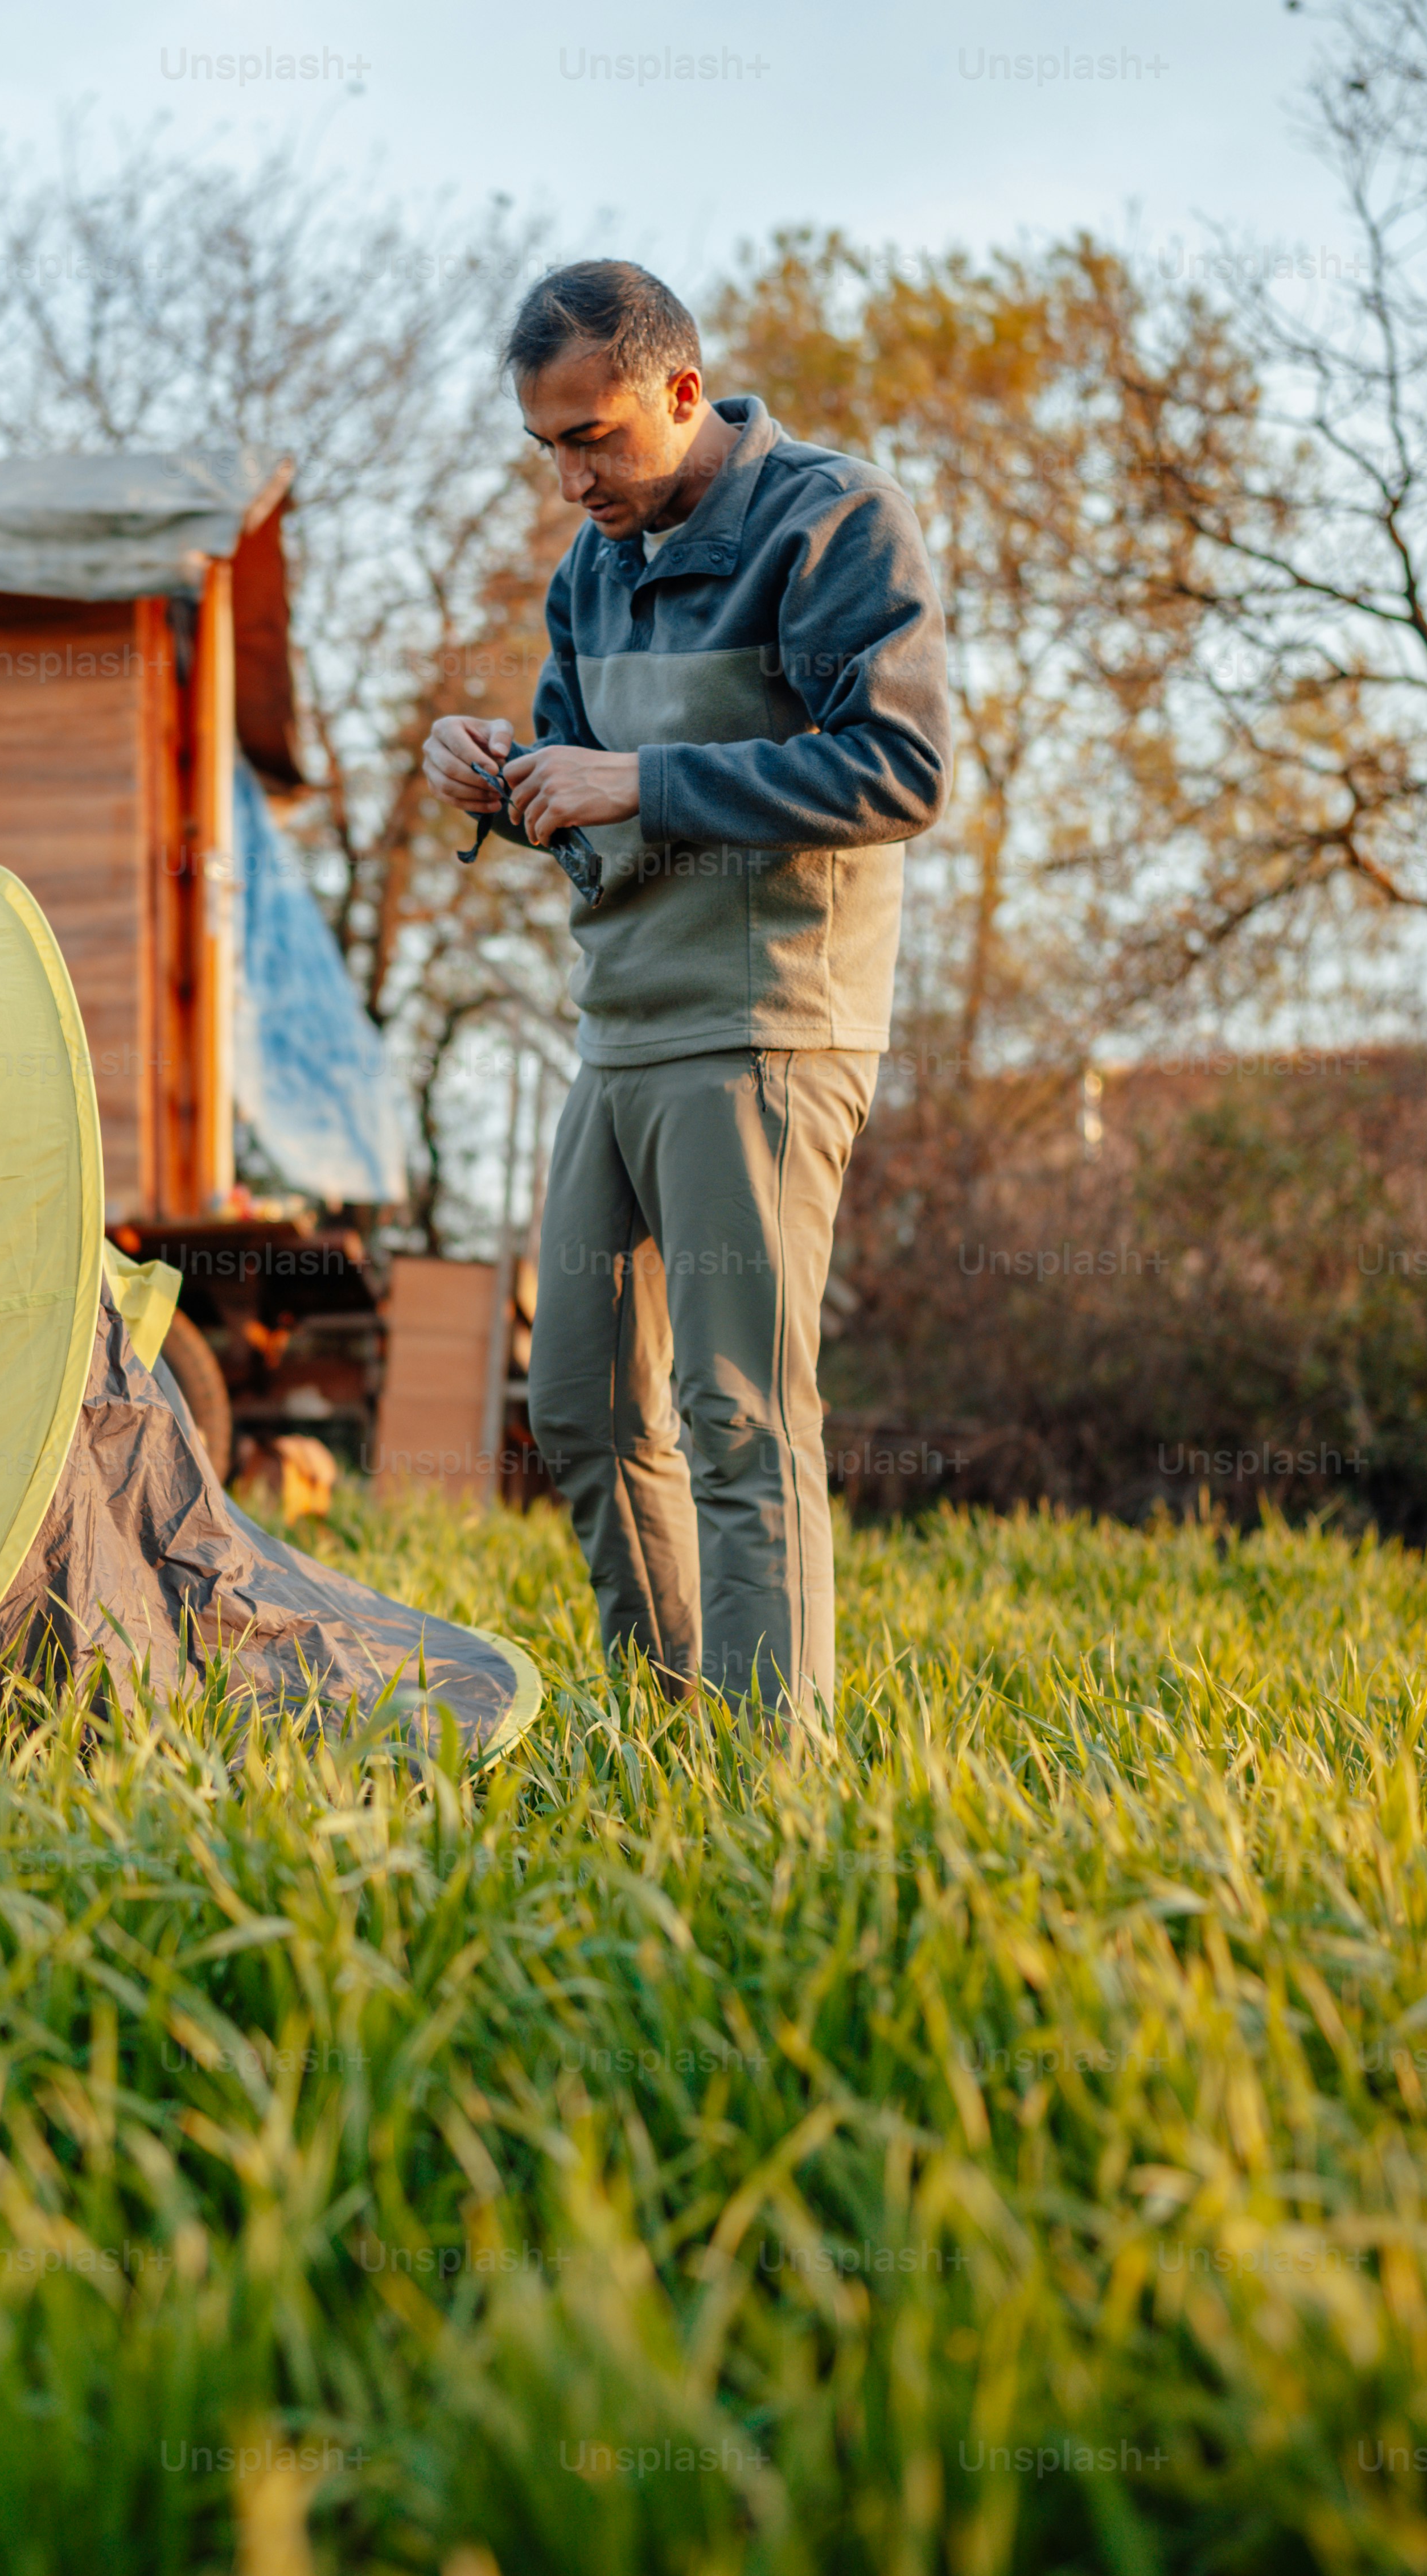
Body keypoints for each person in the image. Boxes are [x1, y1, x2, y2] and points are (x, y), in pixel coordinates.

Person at [422, 260, 951, 1718]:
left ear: (678, 390)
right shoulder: (590, 572)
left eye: (594, 436)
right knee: (581, 1410)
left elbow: (899, 769)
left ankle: (772, 1781)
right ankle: (673, 1738)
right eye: (546, 447)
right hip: (628, 1026)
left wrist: (639, 780)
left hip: (768, 1024)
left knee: (739, 1417)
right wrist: (497, 776)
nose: (570, 477)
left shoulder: (831, 522)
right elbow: (569, 796)